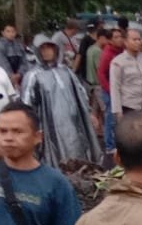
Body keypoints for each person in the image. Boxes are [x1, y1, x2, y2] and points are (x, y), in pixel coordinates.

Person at [21, 35, 101, 167]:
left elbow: (81, 94)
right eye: (43, 48)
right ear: (36, 51)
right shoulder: (33, 76)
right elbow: (26, 106)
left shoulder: (66, 72)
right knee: (54, 159)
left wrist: (90, 113)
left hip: (74, 124)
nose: (47, 51)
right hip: (49, 127)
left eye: (50, 47)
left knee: (78, 153)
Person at [109, 28, 142, 121]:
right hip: (129, 107)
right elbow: (115, 88)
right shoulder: (118, 62)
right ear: (125, 42)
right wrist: (118, 112)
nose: (138, 42)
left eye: (139, 39)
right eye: (134, 40)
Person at [96, 26, 127, 155]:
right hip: (110, 92)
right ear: (110, 40)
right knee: (110, 118)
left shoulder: (122, 52)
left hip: (122, 91)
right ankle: (109, 145)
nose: (119, 39)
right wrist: (110, 90)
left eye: (121, 37)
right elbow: (101, 74)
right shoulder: (108, 54)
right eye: (116, 37)